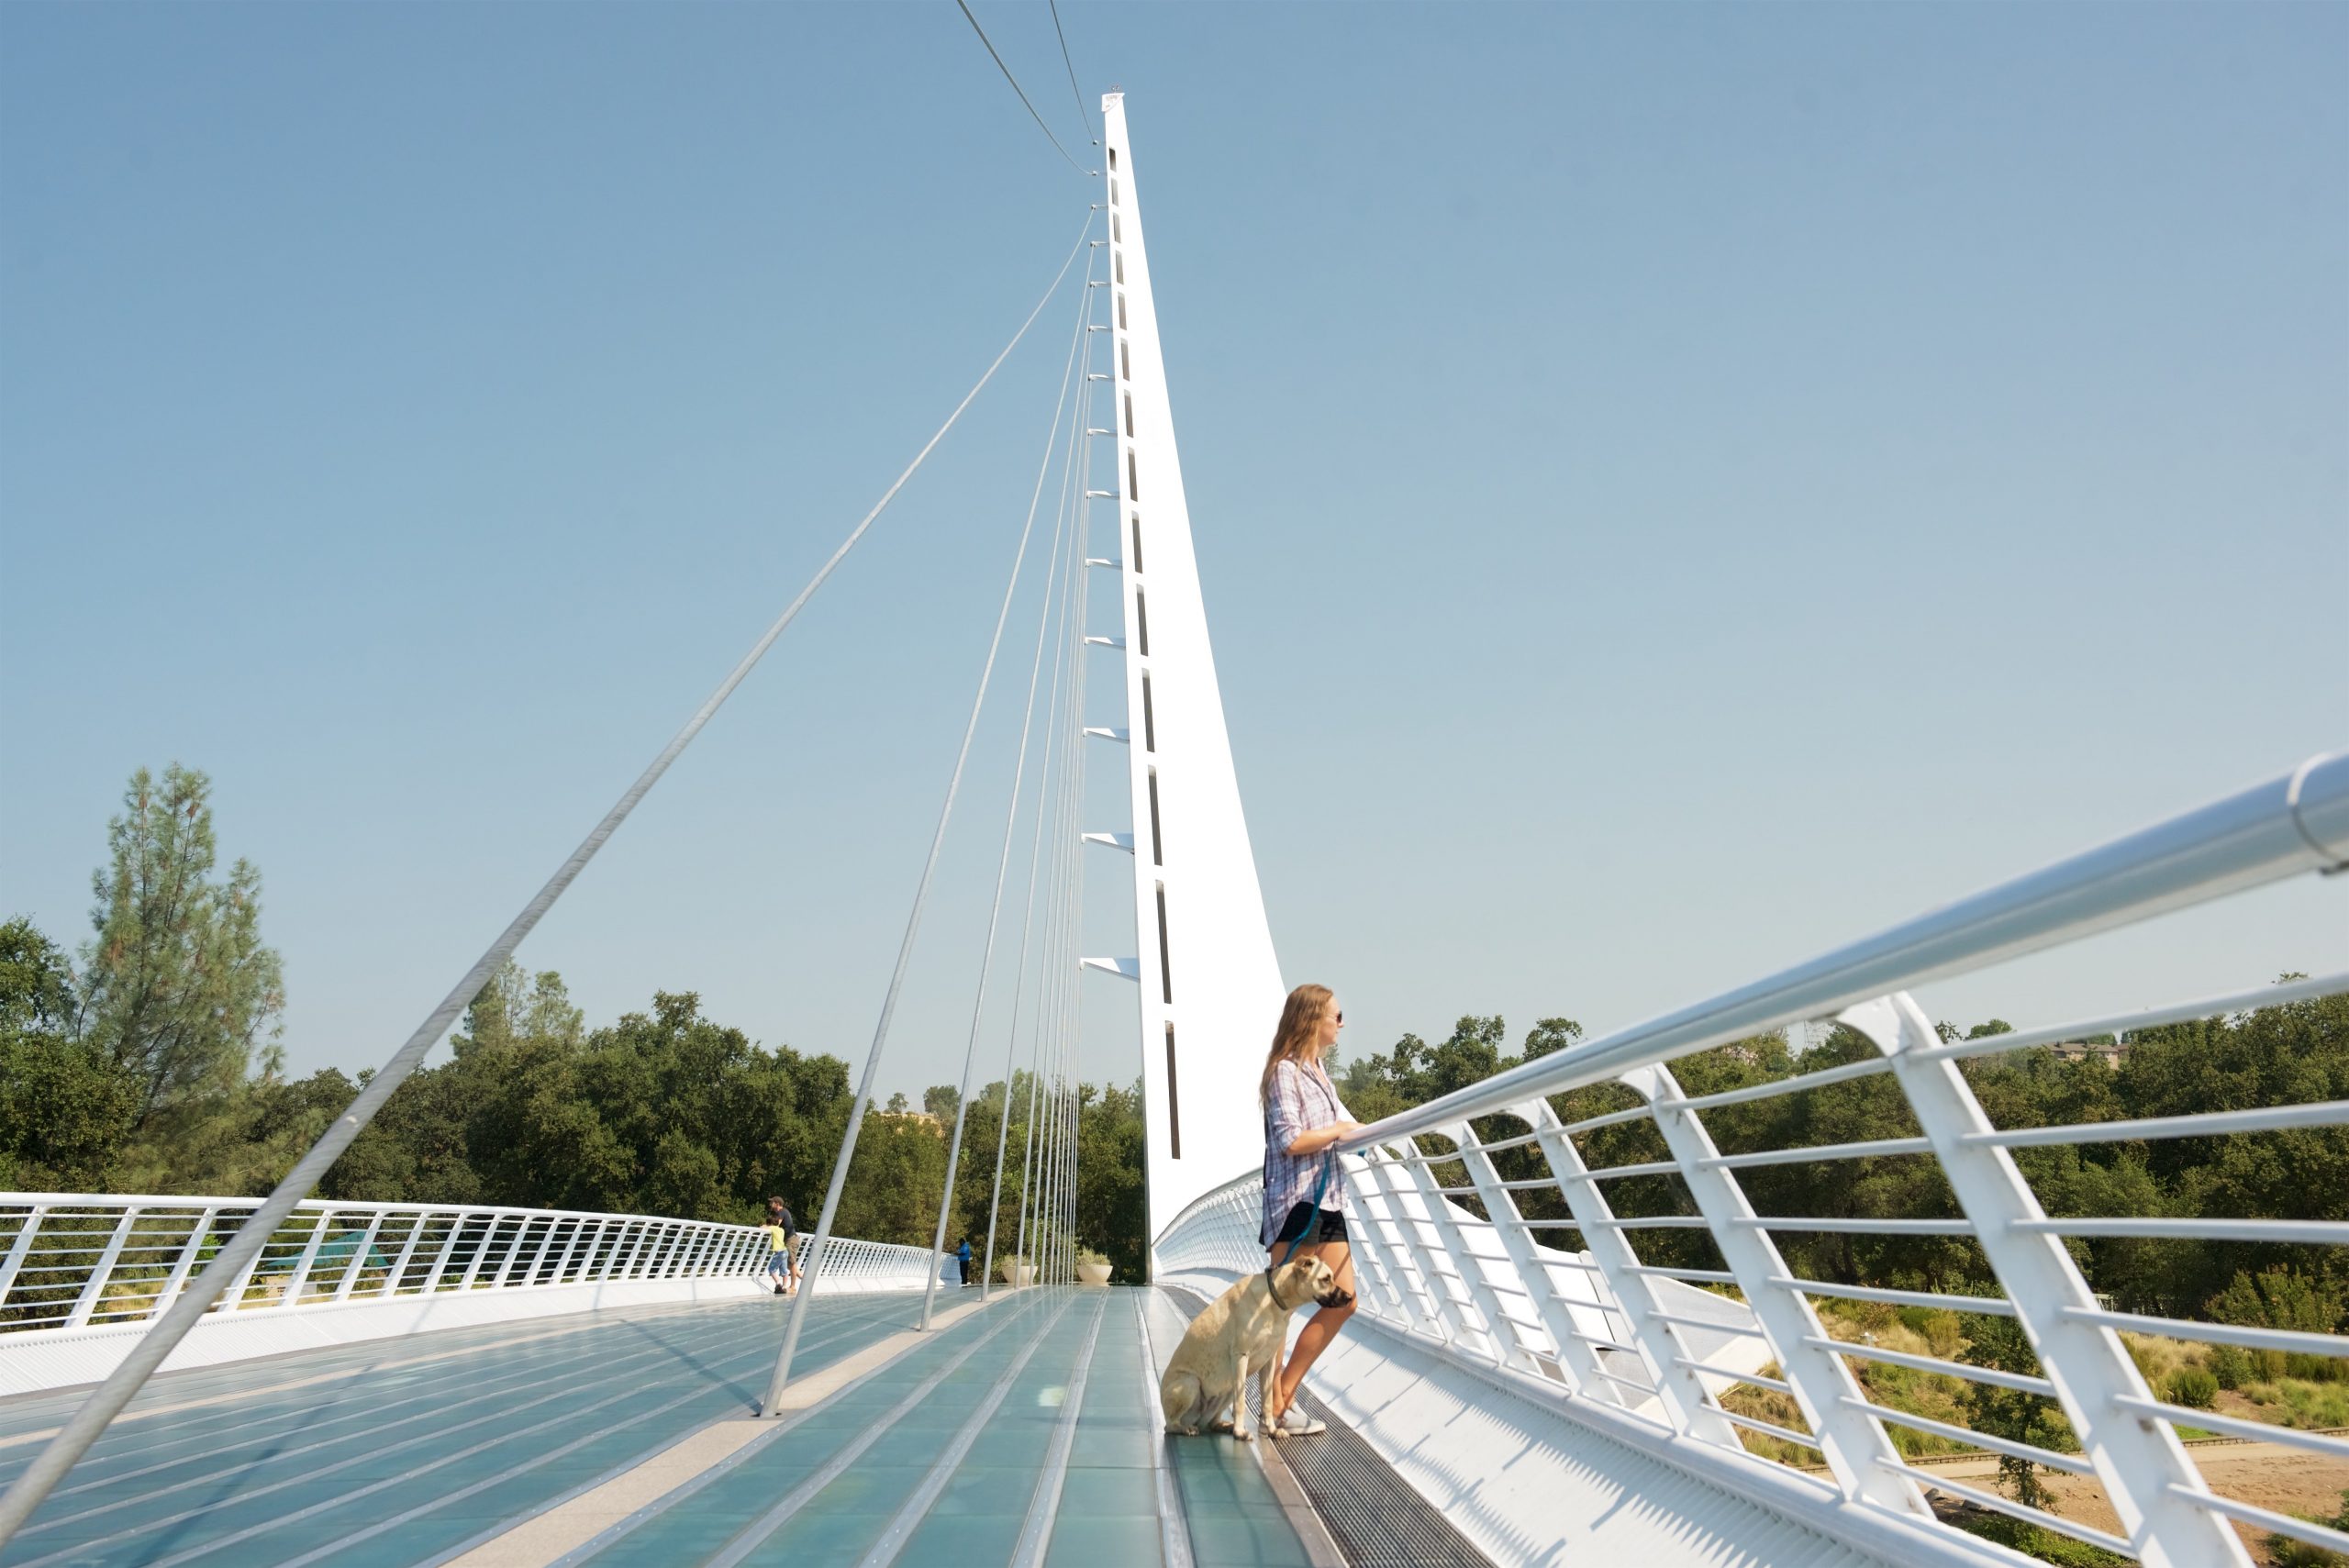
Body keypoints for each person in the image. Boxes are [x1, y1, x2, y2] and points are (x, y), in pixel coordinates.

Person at [1259, 983, 1361, 1436]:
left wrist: (1352, 1131)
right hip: (1298, 1203)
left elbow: (1345, 1128)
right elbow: (1290, 1140)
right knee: (1278, 1308)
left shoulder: (1319, 1072)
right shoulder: (1284, 1072)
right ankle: (1272, 1409)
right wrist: (1338, 1130)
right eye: (1337, 1016)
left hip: (1329, 1199)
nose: (1342, 1024)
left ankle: (1283, 1395)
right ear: (1312, 1019)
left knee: (1344, 1301)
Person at [763, 1198, 797, 1297]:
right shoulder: (783, 1214)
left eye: (772, 1202)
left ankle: (788, 1286)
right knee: (786, 1268)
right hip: (785, 1247)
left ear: (777, 1204)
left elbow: (776, 1224)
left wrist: (764, 1226)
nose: (770, 1204)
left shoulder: (781, 1212)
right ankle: (786, 1286)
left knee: (790, 1264)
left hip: (789, 1242)